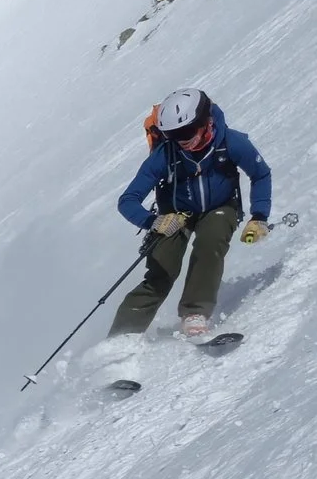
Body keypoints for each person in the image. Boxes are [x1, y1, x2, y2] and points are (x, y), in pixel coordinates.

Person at [111, 87, 274, 337]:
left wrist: (259, 216)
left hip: (220, 207)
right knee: (161, 273)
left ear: (204, 122)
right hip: (175, 215)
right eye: (173, 135)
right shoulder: (165, 155)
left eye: (186, 132)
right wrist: (153, 221)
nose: (181, 140)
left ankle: (195, 311)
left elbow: (260, 174)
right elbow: (128, 200)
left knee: (211, 241)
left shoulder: (230, 142)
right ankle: (121, 336)